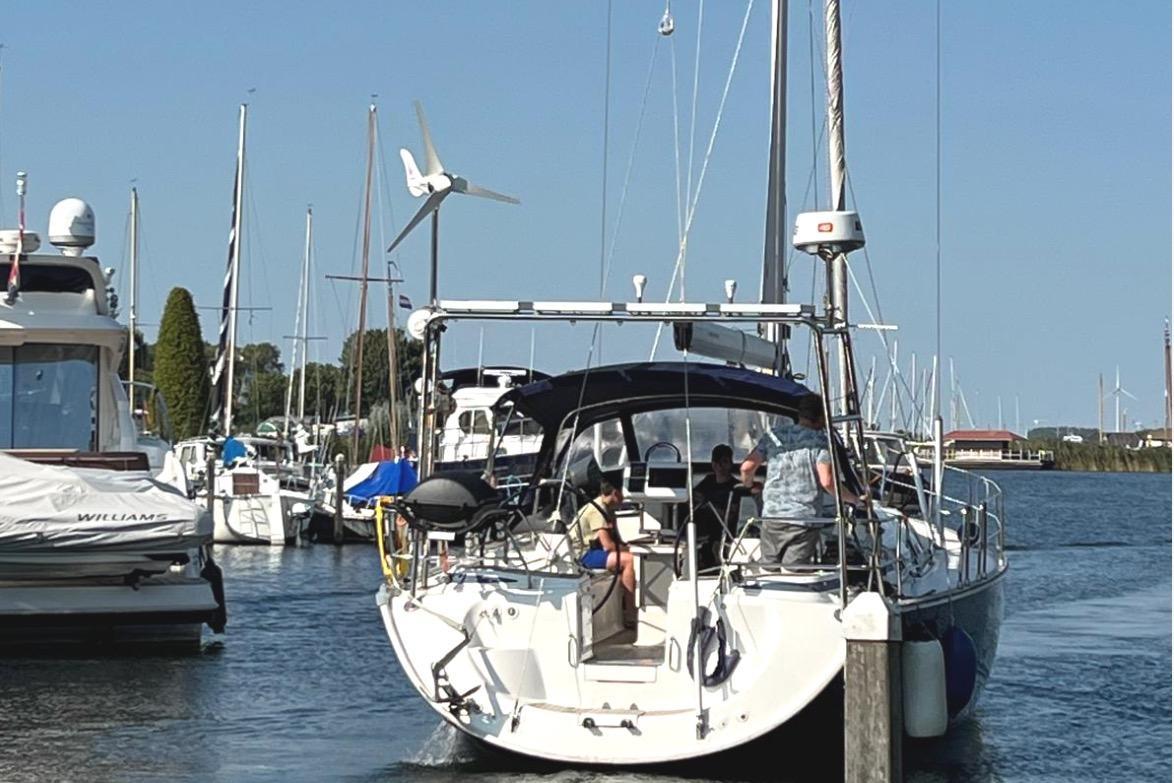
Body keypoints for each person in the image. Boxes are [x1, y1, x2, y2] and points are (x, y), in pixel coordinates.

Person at [739, 394, 861, 567]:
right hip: (803, 520)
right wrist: (854, 499)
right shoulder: (821, 442)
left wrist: (750, 486)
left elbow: (746, 468)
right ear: (821, 416)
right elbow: (827, 482)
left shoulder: (774, 436)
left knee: (769, 568)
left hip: (772, 517)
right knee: (794, 571)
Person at [571, 480, 637, 626]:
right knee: (630, 560)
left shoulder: (605, 507)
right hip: (583, 554)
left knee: (627, 557)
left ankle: (627, 605)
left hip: (593, 549)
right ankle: (631, 614)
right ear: (615, 493)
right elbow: (608, 546)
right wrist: (632, 549)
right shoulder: (598, 510)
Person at [691, 444, 741, 571]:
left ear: (731, 463)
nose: (720, 466)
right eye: (717, 462)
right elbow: (694, 498)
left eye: (725, 462)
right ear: (713, 464)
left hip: (726, 535)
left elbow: (733, 515)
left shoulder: (736, 487)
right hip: (704, 534)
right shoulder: (708, 482)